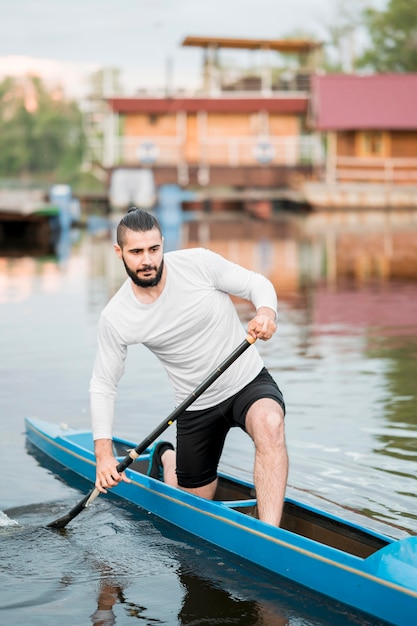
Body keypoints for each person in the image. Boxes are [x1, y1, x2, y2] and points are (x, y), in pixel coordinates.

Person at [90, 208, 288, 526]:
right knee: (191, 505)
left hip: (246, 381)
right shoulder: (117, 316)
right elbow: (103, 385)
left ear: (163, 244)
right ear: (119, 253)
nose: (147, 260)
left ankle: (269, 534)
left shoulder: (198, 263)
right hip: (195, 405)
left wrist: (266, 313)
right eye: (136, 252)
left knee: (270, 423)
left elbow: (257, 284)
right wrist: (103, 455)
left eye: (154, 249)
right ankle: (165, 457)